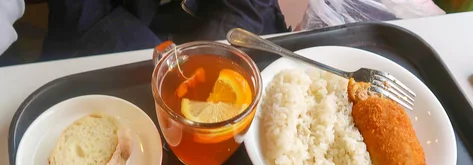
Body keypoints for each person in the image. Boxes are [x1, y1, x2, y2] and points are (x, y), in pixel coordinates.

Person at [42, 0, 289, 60]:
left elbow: (245, 8)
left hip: (220, 23)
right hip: (110, 27)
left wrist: (201, 60)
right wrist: (168, 65)